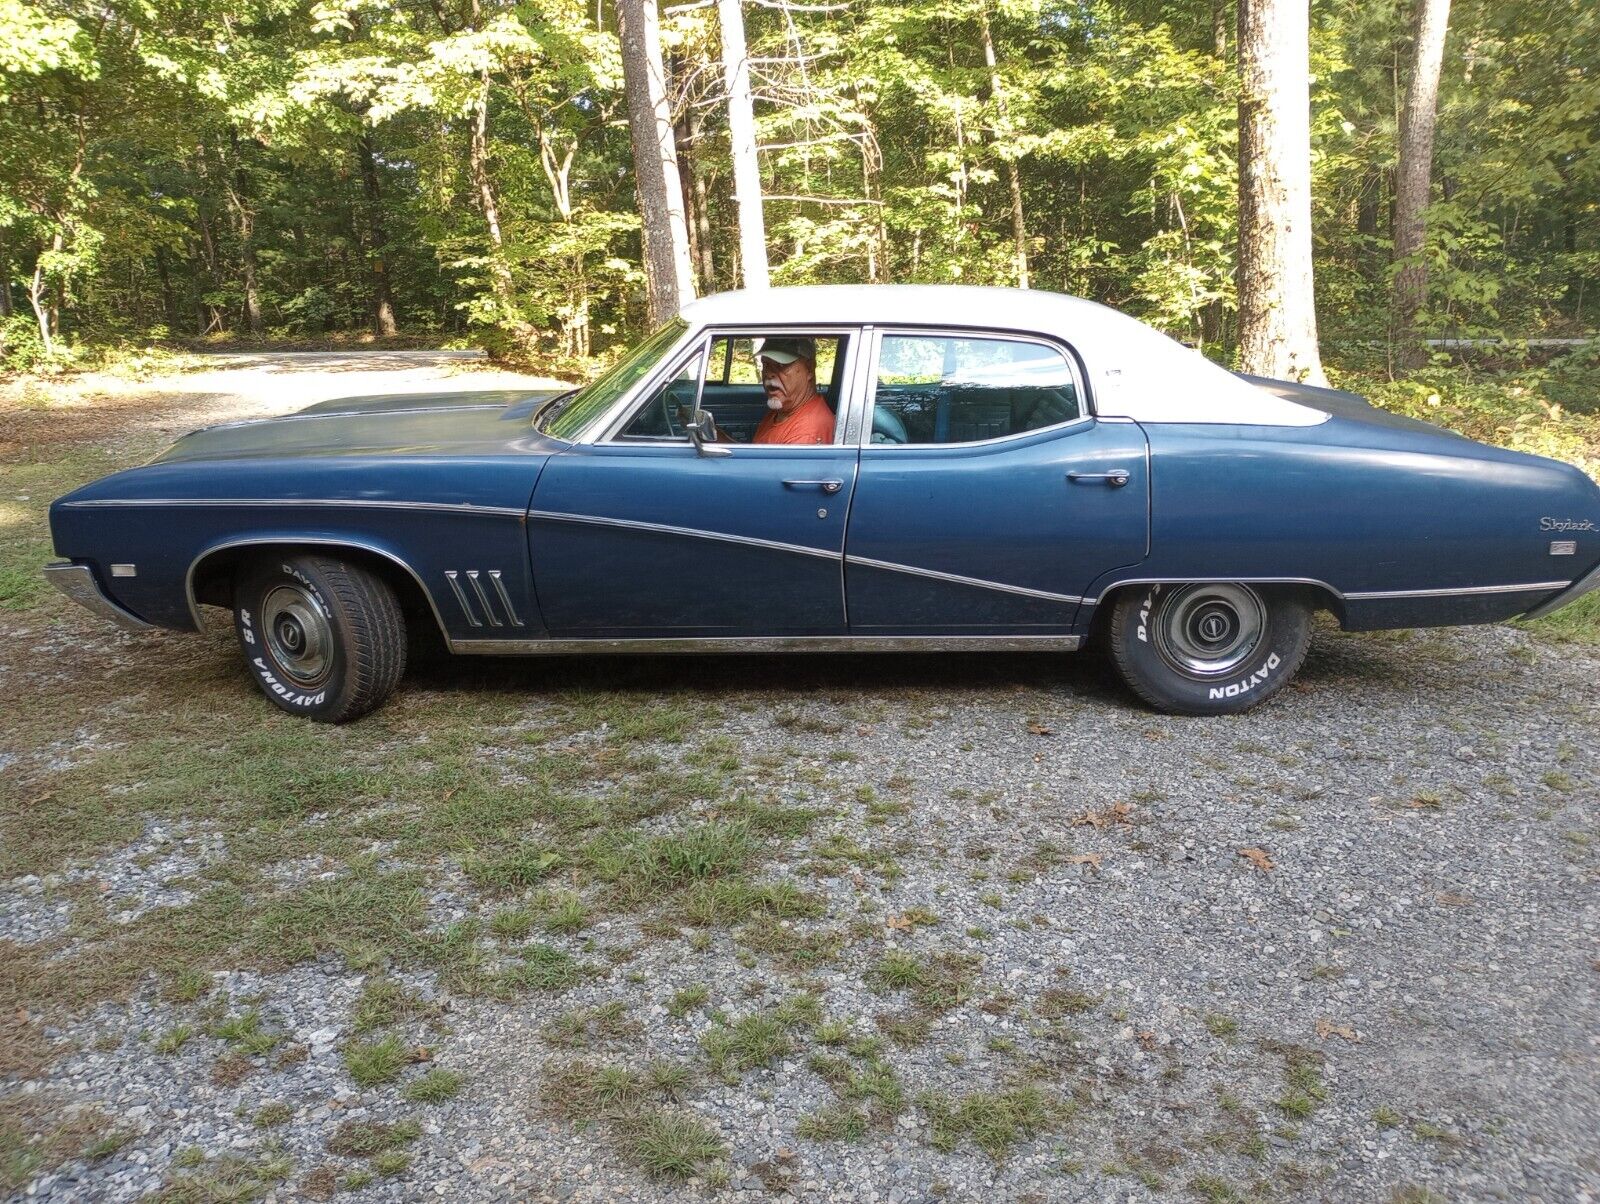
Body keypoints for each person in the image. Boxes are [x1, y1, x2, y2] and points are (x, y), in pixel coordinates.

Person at [751, 337, 834, 445]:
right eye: (766, 365)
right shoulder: (785, 410)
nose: (769, 373)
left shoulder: (805, 436)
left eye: (781, 365)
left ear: (809, 369)